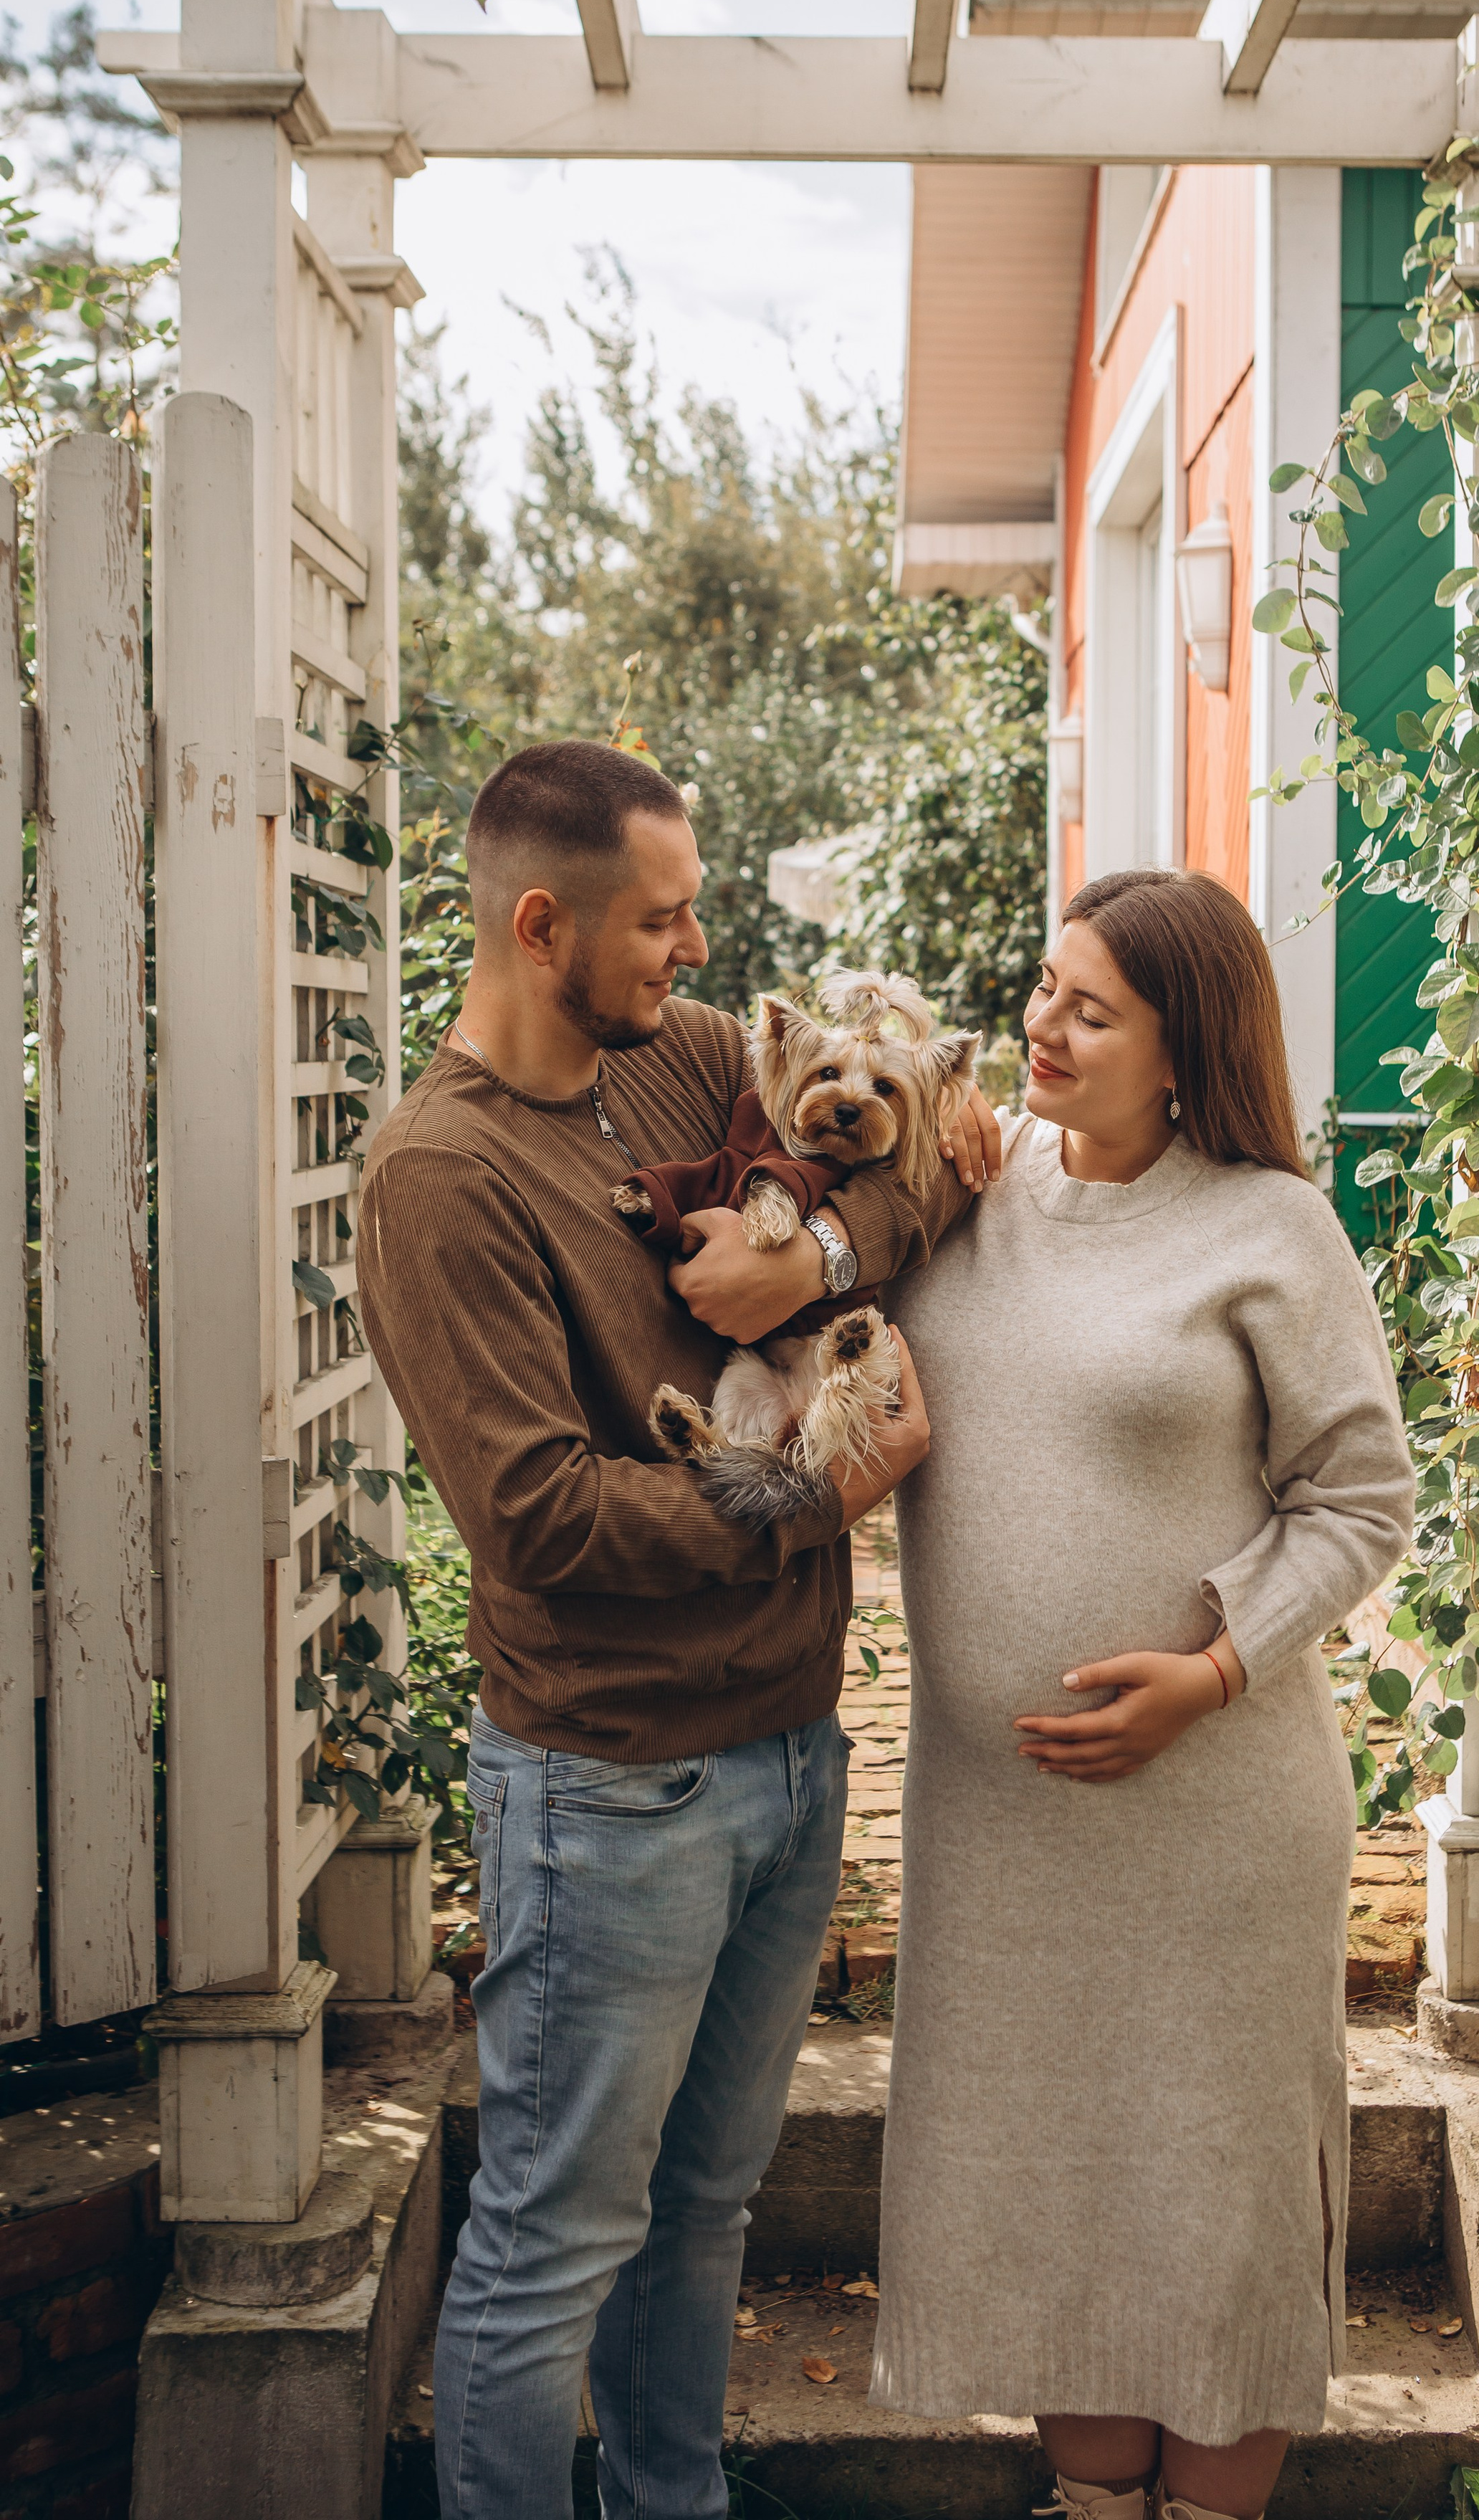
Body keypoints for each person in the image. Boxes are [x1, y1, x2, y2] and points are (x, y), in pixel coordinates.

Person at [354, 740, 992, 2520]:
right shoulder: (441, 1175)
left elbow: (932, 1164)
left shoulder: (693, 1068)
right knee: (556, 2237)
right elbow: (540, 1515)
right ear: (541, 923)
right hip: (609, 1787)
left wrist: (820, 1267)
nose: (696, 952)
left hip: (787, 1753)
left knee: (703, 2208)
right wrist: (817, 1495)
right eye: (661, 920)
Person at [871, 867, 1415, 2520]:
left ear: (1181, 1048)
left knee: (1211, 2205)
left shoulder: (1267, 1228)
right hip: (1001, 1832)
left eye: (1089, 1009)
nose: (1041, 1025)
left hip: (1210, 1827)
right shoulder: (961, 1187)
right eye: (1042, 988)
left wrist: (1211, 1666)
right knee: (1050, 2205)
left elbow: (1361, 1498)